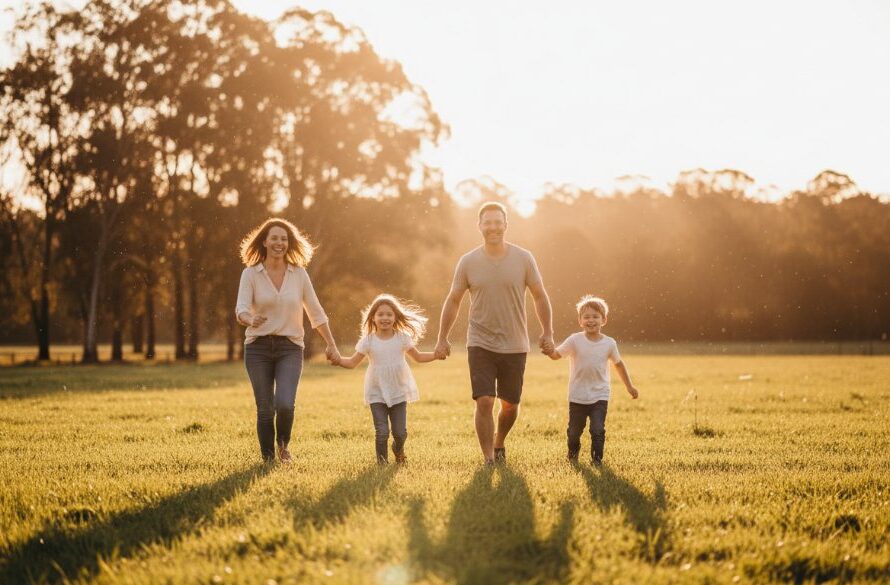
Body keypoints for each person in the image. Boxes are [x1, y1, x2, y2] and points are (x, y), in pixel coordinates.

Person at [434, 201, 554, 464]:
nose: (493, 227)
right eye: (487, 222)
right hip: (480, 342)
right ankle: (489, 457)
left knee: (510, 405)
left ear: (506, 225)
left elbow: (540, 296)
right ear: (479, 226)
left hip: (515, 344)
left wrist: (548, 332)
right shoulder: (468, 261)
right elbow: (453, 300)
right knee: (485, 400)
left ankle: (499, 441)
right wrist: (442, 338)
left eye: (498, 222)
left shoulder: (524, 258)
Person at [235, 218, 340, 464]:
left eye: (284, 239)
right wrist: (250, 319)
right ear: (264, 241)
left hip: (290, 348)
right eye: (274, 238)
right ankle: (268, 459)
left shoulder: (299, 274)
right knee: (264, 408)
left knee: (284, 404)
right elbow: (240, 309)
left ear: (288, 243)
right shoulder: (250, 273)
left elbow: (315, 312)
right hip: (258, 348)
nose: (279, 243)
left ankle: (283, 447)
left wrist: (331, 344)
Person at [331, 294, 441, 464]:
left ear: (395, 317)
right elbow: (352, 362)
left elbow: (418, 357)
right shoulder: (368, 341)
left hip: (399, 390)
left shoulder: (402, 338)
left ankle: (398, 448)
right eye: (380, 314)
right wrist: (338, 360)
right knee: (382, 431)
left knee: (400, 432)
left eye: (389, 314)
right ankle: (382, 462)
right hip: (376, 391)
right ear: (373, 318)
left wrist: (436, 355)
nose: (385, 318)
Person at [545, 295, 639, 465]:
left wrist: (629, 387)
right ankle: (572, 457)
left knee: (597, 430)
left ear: (604, 319)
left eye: (595, 316)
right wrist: (548, 349)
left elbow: (619, 365)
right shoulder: (575, 340)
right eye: (586, 317)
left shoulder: (609, 343)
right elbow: (556, 355)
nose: (591, 320)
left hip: (600, 395)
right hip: (577, 396)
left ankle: (597, 461)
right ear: (580, 320)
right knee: (574, 432)